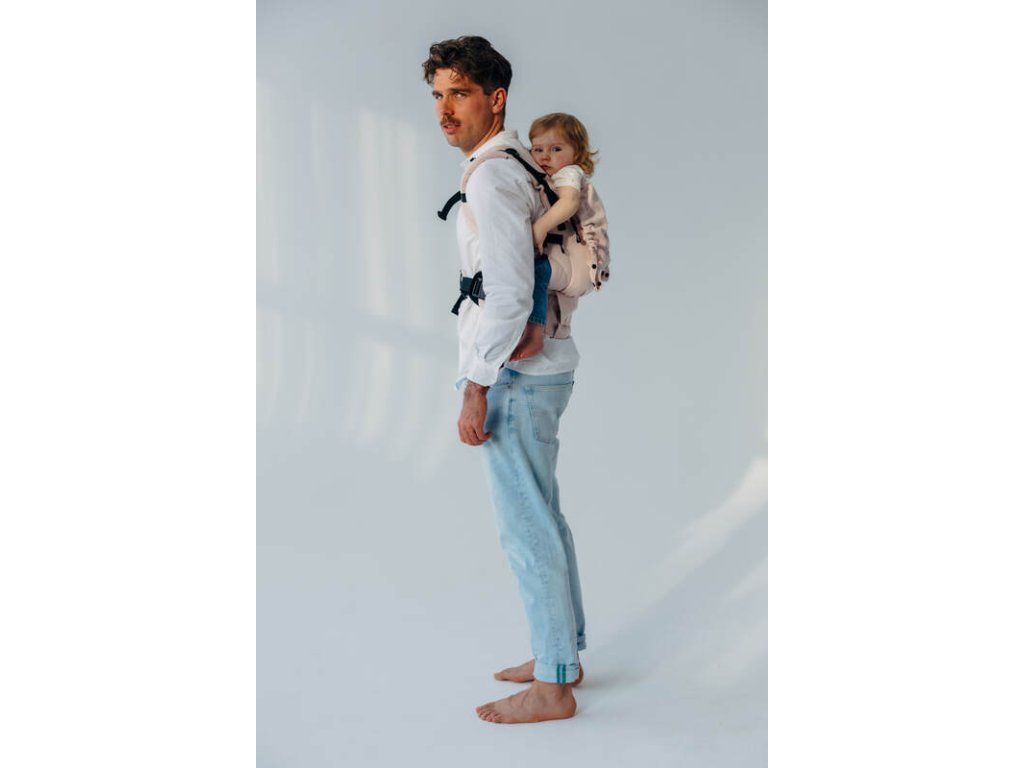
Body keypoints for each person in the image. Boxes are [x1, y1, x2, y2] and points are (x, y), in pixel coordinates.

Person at [423, 35, 588, 724]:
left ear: (496, 99)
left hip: (515, 377)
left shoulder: (493, 176)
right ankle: (562, 656)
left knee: (527, 529)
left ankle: (552, 686)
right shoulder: (520, 162)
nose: (445, 110)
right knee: (543, 517)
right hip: (544, 370)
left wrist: (475, 384)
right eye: (438, 95)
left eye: (459, 93)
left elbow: (510, 292)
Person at [509, 112, 603, 362]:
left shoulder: (570, 173)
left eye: (556, 149)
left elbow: (569, 203)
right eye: (538, 149)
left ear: (577, 153)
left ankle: (534, 333)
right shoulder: (551, 177)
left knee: (537, 271)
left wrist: (540, 228)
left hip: (579, 265)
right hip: (570, 262)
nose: (545, 156)